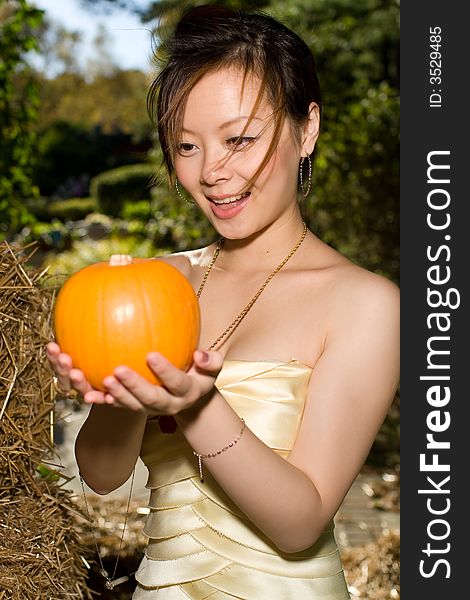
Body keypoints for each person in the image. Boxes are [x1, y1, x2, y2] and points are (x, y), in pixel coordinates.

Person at [47, 5, 399, 599]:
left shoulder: (366, 304)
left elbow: (300, 522)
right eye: (186, 145)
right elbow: (103, 477)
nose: (212, 171)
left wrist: (196, 406)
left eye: (239, 139)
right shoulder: (156, 285)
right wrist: (115, 397)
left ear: (306, 128)